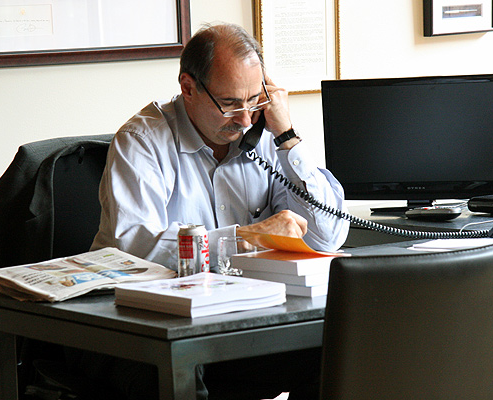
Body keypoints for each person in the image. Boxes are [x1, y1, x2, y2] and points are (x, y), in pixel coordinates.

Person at [88, 22, 350, 400]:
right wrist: (243, 238)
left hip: (236, 328)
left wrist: (286, 135)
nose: (245, 119)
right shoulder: (142, 142)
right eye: (230, 103)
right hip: (148, 334)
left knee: (332, 356)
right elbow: (135, 246)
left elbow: (326, 235)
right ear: (188, 88)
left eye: (255, 101)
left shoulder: (261, 139)